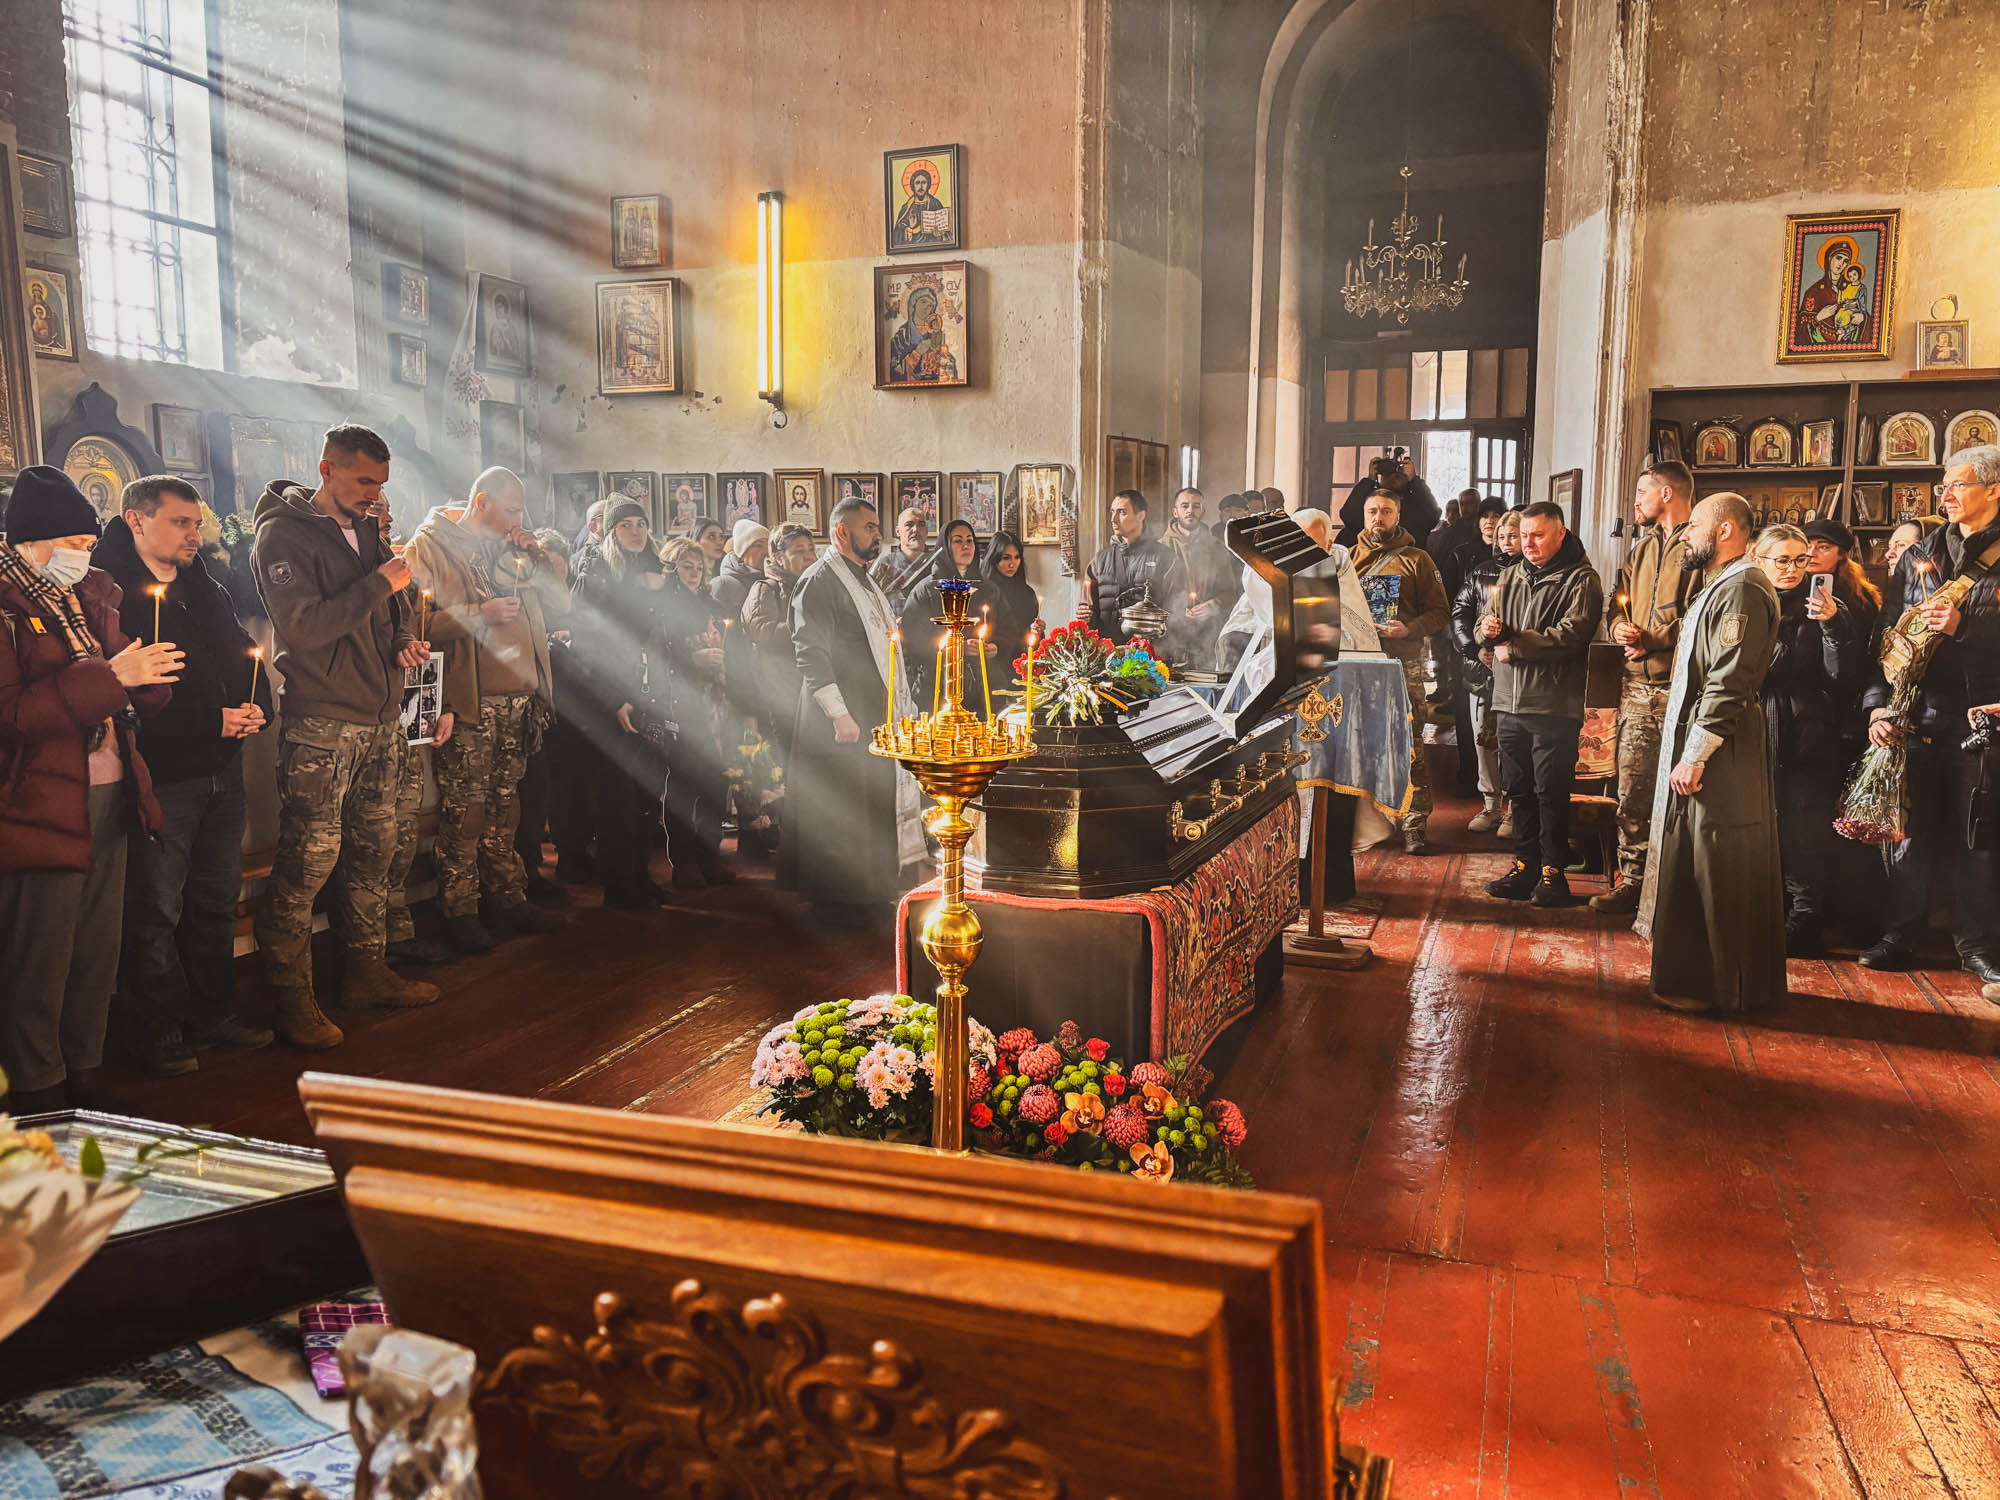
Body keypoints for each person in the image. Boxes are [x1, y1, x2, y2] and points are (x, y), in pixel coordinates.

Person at [252, 425, 439, 1047]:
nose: (374, 495)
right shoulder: (282, 535)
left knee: (374, 852)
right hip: (324, 722)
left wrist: (400, 640)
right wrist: (380, 582)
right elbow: (305, 628)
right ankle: (292, 999)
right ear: (327, 469)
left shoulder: (367, 529)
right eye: (364, 482)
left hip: (380, 717)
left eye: (381, 485)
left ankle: (367, 971)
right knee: (308, 863)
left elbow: (380, 613)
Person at [0, 467, 179, 1111]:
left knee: (95, 946)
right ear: (31, 540)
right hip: (37, 802)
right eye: (71, 537)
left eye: (85, 536)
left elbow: (117, 676)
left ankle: (84, 1062)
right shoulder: (6, 604)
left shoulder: (88, 593)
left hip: (110, 789)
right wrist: (115, 675)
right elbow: (13, 715)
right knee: (40, 953)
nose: (83, 550)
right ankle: (35, 1080)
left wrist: (149, 678)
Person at [93, 476, 273, 1076]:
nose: (196, 534)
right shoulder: (110, 592)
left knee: (215, 901)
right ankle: (155, 1027)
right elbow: (131, 700)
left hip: (222, 771)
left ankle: (213, 1012)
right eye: (181, 523)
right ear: (137, 521)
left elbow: (241, 651)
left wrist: (255, 706)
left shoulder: (203, 586)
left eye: (197, 524)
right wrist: (208, 722)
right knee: (155, 908)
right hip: (163, 777)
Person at [404, 467, 569, 953]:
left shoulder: (510, 545)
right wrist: (481, 616)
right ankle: (459, 908)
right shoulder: (429, 545)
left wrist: (532, 551)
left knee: (507, 806)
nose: (519, 519)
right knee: (467, 809)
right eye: (513, 510)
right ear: (482, 503)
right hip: (470, 700)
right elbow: (417, 624)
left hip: (521, 697)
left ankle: (508, 897)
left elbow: (562, 603)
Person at [1636, 494, 1784, 1013]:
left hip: (1725, 748)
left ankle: (1727, 989)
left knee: (1720, 861)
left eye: (1695, 524)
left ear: (1725, 531)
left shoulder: (1743, 586)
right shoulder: (1721, 583)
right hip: (1715, 740)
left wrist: (1696, 754)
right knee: (1696, 859)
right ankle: (1694, 980)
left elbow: (1730, 678)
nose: (1685, 533)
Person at [1860, 446, 2000, 981]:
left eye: (1958, 484)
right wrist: (1877, 707)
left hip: (1983, 723)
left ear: (1992, 489)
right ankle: (1900, 936)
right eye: (1944, 484)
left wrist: (1962, 629)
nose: (1945, 494)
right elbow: (1885, 640)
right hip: (1919, 718)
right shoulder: (1923, 554)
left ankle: (1977, 947)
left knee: (1976, 840)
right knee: (1911, 837)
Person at [789, 497, 923, 929]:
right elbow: (810, 651)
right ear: (842, 532)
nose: (876, 534)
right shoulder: (819, 580)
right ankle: (839, 902)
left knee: (869, 804)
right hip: (840, 721)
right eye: (868, 527)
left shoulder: (863, 579)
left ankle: (871, 891)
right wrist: (838, 714)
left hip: (875, 716)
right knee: (842, 807)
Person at [1480, 501, 1603, 907]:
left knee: (1551, 790)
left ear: (1560, 534)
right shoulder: (1511, 574)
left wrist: (1513, 646)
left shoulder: (1581, 580)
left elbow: (1571, 635)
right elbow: (1486, 622)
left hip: (1552, 703)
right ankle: (1524, 865)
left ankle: (1554, 872)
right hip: (1508, 700)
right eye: (1525, 535)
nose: (1528, 544)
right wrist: (1488, 628)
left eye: (1537, 536)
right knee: (1518, 790)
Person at [1591, 460, 1700, 915]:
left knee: (1683, 794)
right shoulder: (1640, 550)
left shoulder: (1700, 546)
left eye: (1642, 492)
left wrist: (1651, 638)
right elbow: (1616, 602)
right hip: (1635, 688)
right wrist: (1619, 627)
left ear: (1667, 495)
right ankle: (1633, 881)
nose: (1635, 502)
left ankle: (1679, 888)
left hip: (1681, 689)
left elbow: (1700, 614)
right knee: (1632, 790)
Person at [1751, 524, 1864, 957]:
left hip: (1808, 736)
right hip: (1757, 729)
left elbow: (1843, 677)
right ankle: (1763, 916)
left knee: (1803, 834)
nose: (1793, 569)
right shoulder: (1747, 600)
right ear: (1759, 559)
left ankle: (1806, 921)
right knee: (1760, 830)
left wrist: (1833, 627)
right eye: (1782, 560)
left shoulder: (1830, 608)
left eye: (1801, 560)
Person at [568, 497, 671, 910]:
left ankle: (639, 874)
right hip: (610, 700)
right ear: (610, 532)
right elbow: (588, 646)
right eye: (626, 525)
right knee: (616, 797)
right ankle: (619, 883)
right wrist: (616, 699)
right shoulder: (594, 574)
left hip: (647, 693)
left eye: (641, 523)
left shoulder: (651, 572)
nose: (636, 531)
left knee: (645, 795)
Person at [1350, 490, 1449, 852]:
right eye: (1373, 511)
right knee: (1359, 742)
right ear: (1363, 516)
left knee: (1409, 741)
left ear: (1398, 516)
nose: (1379, 517)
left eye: (1386, 512)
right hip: (1358, 664)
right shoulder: (1346, 559)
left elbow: (1441, 613)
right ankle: (1367, 823)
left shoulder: (1418, 560)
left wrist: (1409, 629)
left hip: (1401, 665)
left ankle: (1414, 823)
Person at [742, 522, 817, 888]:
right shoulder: (765, 588)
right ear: (776, 555)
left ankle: (805, 858)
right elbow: (762, 631)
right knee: (783, 776)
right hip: (776, 694)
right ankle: (790, 865)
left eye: (810, 549)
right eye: (799, 550)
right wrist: (811, 630)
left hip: (805, 691)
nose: (808, 556)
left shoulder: (810, 586)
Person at [1453, 508, 1523, 833]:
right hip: (1481, 672)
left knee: (1512, 743)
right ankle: (1490, 805)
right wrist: (1475, 648)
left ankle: (1514, 808)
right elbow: (1460, 615)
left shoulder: (1531, 573)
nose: (1507, 542)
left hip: (1517, 672)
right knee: (1483, 739)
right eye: (1502, 537)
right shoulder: (1481, 572)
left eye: (1514, 536)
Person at [900, 517, 985, 711]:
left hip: (981, 689)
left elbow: (1004, 629)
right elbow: (913, 640)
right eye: (957, 541)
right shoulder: (926, 590)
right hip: (936, 686)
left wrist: (994, 646)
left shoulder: (988, 588)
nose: (966, 546)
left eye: (969, 540)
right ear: (945, 546)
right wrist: (957, 647)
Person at [1081, 490, 1185, 643]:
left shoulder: (1167, 558)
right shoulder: (1100, 560)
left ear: (1140, 516)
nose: (1113, 519)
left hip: (1150, 655)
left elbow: (1176, 614)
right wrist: (1085, 617)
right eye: (1112, 512)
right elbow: (1088, 612)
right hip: (1108, 653)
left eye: (1122, 512)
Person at [1161, 487, 1240, 670]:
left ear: (1202, 511)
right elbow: (1154, 595)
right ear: (1175, 511)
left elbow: (1230, 594)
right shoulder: (1161, 548)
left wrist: (1215, 604)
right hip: (1170, 638)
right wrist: (1177, 612)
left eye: (1196, 506)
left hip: (1206, 637)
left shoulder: (1217, 548)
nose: (1190, 511)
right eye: (1185, 506)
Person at [980, 528, 1041, 691]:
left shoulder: (1027, 593)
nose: (1012, 564)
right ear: (994, 558)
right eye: (1006, 558)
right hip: (991, 665)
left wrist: (1037, 632)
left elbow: (1028, 635)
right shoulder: (983, 591)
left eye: (1016, 557)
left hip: (1020, 664)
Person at [1338, 452, 1441, 547]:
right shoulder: (1370, 502)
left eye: (1399, 472)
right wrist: (1369, 480)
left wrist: (1415, 480)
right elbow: (1349, 517)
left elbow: (1433, 517)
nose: (1394, 476)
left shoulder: (1415, 503)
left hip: (1407, 561)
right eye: (1388, 472)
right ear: (1380, 475)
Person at [869, 505, 932, 612]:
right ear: (898, 531)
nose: (916, 530)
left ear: (926, 531)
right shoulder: (883, 566)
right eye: (909, 525)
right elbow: (871, 605)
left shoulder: (937, 565)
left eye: (921, 525)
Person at [711, 519, 768, 617]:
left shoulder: (773, 581)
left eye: (769, 547)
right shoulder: (722, 585)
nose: (766, 552)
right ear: (741, 553)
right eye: (759, 546)